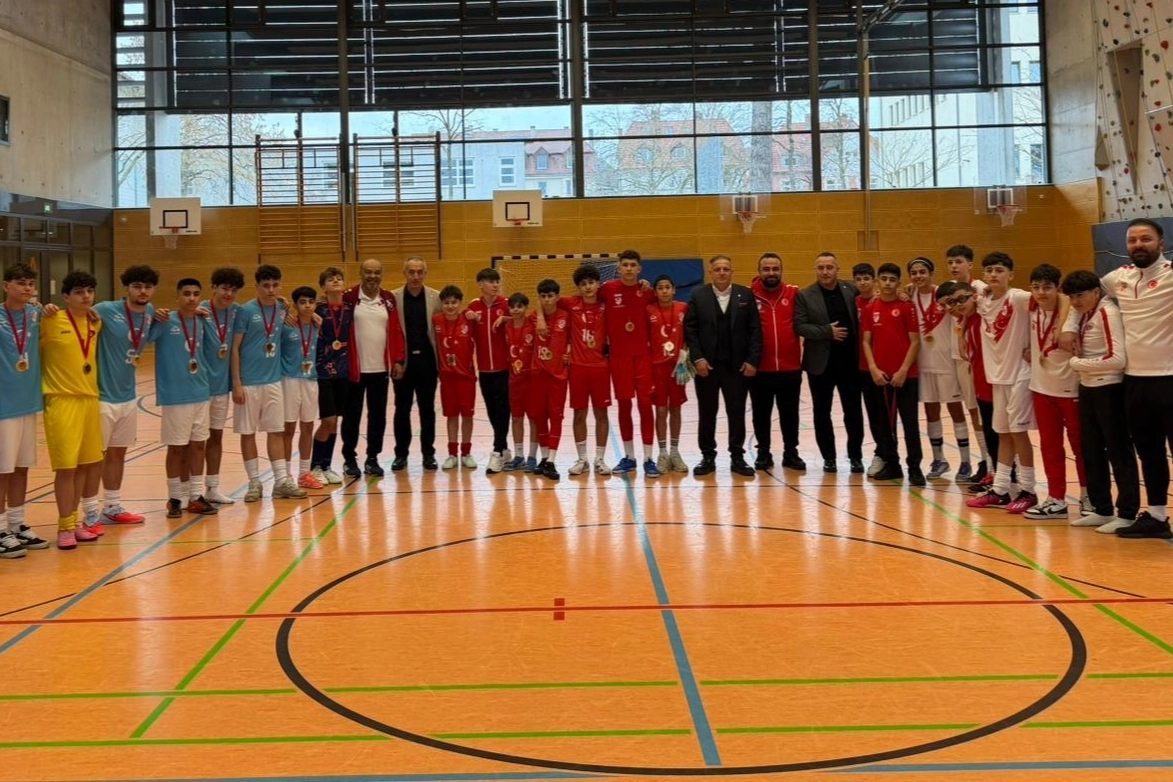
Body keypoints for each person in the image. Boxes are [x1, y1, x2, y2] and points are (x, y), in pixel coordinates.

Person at [1061, 218, 1173, 539]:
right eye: (1132, 240)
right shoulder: (1117, 278)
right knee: (1149, 452)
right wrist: (1069, 327)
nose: (1138, 245)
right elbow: (1084, 295)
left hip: (1169, 378)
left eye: (1146, 239)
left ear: (1161, 243)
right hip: (1134, 382)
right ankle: (1157, 516)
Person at [1060, 270, 1138, 533]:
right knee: (1091, 450)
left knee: (1118, 451)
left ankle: (1127, 513)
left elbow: (1118, 359)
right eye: (1071, 297)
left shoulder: (1108, 313)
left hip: (1110, 389)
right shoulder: (1085, 312)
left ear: (1096, 292)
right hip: (1088, 388)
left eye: (1080, 296)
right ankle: (1102, 509)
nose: (1075, 302)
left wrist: (1077, 363)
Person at [966, 252, 1038, 513]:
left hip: (1019, 374)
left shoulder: (1018, 297)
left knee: (1018, 434)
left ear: (1011, 274)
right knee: (1004, 434)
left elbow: (1056, 300)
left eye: (999, 270)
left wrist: (1039, 347)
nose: (994, 274)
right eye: (989, 270)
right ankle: (1000, 489)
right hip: (997, 378)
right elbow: (961, 292)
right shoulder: (982, 300)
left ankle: (1029, 490)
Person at [231, 264, 307, 502]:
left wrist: (312, 315)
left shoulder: (282, 309)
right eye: (266, 286)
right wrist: (236, 383)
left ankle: (281, 481)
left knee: (276, 430)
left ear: (281, 285)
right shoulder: (245, 311)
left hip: (273, 381)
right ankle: (254, 482)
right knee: (248, 433)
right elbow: (234, 348)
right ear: (257, 286)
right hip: (248, 383)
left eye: (275, 285)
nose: (271, 290)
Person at [41, 271, 103, 550]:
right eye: (79, 292)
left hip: (89, 400)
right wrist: (41, 307)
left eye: (89, 291)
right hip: (62, 400)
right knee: (66, 468)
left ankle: (74, 523)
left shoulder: (94, 322)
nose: (86, 296)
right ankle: (64, 526)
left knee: (84, 467)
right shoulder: (50, 320)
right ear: (65, 296)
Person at [684, 254, 761, 478]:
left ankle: (737, 456)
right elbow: (690, 330)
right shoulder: (698, 295)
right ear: (710, 272)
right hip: (706, 367)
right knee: (707, 412)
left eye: (726, 269)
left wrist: (752, 360)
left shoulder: (745, 294)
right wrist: (697, 359)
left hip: (737, 367)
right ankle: (707, 456)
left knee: (736, 412)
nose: (722, 272)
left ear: (732, 272)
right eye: (717, 269)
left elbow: (755, 330)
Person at [94, 265, 159, 528]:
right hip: (101, 396)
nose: (143, 291)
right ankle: (87, 512)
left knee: (118, 453)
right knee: (93, 458)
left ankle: (112, 506)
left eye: (148, 287)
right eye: (137, 286)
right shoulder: (105, 309)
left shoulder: (150, 312)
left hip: (128, 396)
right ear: (126, 288)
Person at [148, 278, 217, 518]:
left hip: (200, 392)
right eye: (186, 293)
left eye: (196, 294)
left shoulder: (201, 320)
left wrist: (207, 319)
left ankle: (196, 496)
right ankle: (175, 497)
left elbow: (215, 346)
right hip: (175, 395)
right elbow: (145, 339)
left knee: (198, 445)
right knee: (176, 447)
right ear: (177, 296)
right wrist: (154, 317)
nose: (191, 298)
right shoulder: (166, 320)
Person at [1022, 264, 1084, 520]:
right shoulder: (1030, 306)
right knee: (1050, 448)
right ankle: (1056, 499)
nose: (1040, 293)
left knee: (1081, 447)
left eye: (1047, 287)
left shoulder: (1073, 312)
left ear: (1058, 288)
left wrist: (1061, 329)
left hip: (1071, 389)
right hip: (1041, 388)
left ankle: (1089, 496)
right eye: (1035, 287)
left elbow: (1067, 300)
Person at [794, 252, 865, 473]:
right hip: (820, 365)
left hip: (850, 363)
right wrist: (827, 332)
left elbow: (872, 299)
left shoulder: (851, 290)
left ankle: (856, 456)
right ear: (815, 270)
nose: (825, 272)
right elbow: (800, 326)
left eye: (829, 267)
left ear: (837, 269)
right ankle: (829, 458)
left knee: (853, 411)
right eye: (821, 268)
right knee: (822, 412)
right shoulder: (805, 295)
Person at [907, 257, 972, 481]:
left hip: (947, 363)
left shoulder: (945, 294)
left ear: (931, 273)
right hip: (924, 364)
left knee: (956, 411)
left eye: (922, 272)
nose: (918, 276)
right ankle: (939, 459)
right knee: (931, 413)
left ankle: (965, 461)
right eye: (914, 273)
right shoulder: (910, 296)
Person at [341, 258, 405, 477]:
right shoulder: (349, 297)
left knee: (377, 417)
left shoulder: (388, 299)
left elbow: (396, 331)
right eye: (368, 272)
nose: (372, 276)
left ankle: (372, 458)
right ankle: (349, 459)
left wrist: (398, 360)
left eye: (377, 272)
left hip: (380, 370)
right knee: (352, 417)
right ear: (361, 273)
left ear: (381, 275)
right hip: (354, 370)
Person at [862, 263, 924, 486]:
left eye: (892, 280)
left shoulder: (907, 307)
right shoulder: (871, 308)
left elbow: (915, 342)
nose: (888, 283)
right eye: (884, 279)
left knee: (910, 424)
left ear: (898, 283)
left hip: (906, 376)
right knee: (885, 425)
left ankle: (915, 467)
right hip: (882, 377)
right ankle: (892, 465)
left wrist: (904, 370)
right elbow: (866, 341)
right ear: (878, 281)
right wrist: (873, 369)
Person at [0, 263, 47, 558]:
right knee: (2, 470)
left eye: (30, 283)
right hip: (3, 406)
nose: (27, 288)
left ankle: (16, 524)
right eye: (20, 283)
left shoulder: (36, 314)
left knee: (21, 467)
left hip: (28, 403)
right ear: (7, 286)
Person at [600, 249, 658, 476]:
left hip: (643, 356)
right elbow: (579, 300)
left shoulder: (648, 292)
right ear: (618, 268)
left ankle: (649, 458)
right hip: (618, 357)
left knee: (645, 404)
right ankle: (629, 456)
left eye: (633, 265)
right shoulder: (607, 289)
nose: (629, 269)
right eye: (625, 265)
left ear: (639, 269)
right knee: (624, 406)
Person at [552, 264, 613, 476]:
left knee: (601, 414)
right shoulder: (571, 303)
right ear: (578, 287)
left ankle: (600, 459)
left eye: (591, 282)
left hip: (600, 367)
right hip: (578, 368)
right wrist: (540, 317)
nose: (588, 287)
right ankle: (582, 459)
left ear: (598, 284)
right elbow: (546, 301)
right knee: (579, 414)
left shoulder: (606, 303)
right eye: (583, 284)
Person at [750, 252, 804, 471]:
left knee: (790, 414)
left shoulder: (794, 293)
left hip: (790, 367)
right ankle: (763, 452)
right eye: (766, 269)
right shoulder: (748, 295)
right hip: (760, 369)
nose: (771, 273)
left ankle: (791, 452)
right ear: (759, 271)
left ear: (781, 271)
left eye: (775, 269)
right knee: (761, 414)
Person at [943, 245, 990, 484]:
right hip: (958, 357)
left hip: (980, 357)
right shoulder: (948, 289)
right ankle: (985, 460)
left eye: (958, 262)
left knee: (983, 411)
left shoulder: (981, 289)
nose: (954, 266)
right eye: (950, 262)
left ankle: (991, 463)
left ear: (970, 264)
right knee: (972, 410)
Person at [198, 267, 244, 505]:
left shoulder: (237, 312)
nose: (229, 294)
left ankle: (212, 488)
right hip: (198, 388)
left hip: (221, 387)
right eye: (225, 288)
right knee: (193, 442)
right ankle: (186, 491)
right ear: (213, 287)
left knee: (216, 436)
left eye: (234, 290)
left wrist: (284, 305)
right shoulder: (199, 310)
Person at [391, 256, 441, 472]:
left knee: (427, 409)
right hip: (403, 364)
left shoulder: (436, 297)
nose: (415, 276)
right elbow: (391, 333)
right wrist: (396, 361)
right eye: (411, 272)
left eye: (420, 272)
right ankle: (400, 454)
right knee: (401, 409)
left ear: (425, 274)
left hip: (428, 363)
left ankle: (428, 454)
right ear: (405, 273)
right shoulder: (393, 298)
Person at [466, 268, 512, 473]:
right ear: (480, 284)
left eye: (497, 281)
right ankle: (504, 449)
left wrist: (507, 319)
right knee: (492, 411)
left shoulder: (506, 304)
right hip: (484, 370)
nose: (495, 285)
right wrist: (466, 315)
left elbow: (524, 319)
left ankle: (496, 451)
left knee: (503, 410)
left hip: (505, 368)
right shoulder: (473, 307)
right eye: (491, 281)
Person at [309, 267, 350, 485]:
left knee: (335, 423)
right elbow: (293, 313)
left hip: (343, 372)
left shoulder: (350, 308)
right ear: (323, 286)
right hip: (322, 372)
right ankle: (315, 466)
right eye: (330, 279)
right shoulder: (317, 309)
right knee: (328, 421)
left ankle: (326, 465)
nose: (335, 281)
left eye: (339, 278)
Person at [646, 274, 689, 474]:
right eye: (660, 288)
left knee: (676, 409)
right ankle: (662, 453)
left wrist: (686, 355)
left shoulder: (683, 308)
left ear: (674, 290)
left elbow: (689, 334)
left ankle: (674, 451)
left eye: (667, 287)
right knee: (661, 410)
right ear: (655, 292)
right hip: (657, 368)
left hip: (678, 367)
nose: (664, 291)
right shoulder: (649, 310)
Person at [282, 286, 322, 490]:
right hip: (289, 380)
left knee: (308, 427)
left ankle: (304, 473)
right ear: (295, 305)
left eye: (310, 302)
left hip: (311, 380)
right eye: (302, 302)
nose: (307, 306)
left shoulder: (317, 325)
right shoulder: (286, 326)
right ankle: (286, 474)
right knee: (288, 429)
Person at [434, 285, 477, 469]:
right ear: (441, 304)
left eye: (454, 302)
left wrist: (469, 312)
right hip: (447, 379)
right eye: (446, 303)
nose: (450, 306)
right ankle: (452, 454)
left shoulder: (469, 320)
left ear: (460, 303)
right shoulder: (436, 320)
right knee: (451, 416)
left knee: (467, 416)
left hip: (466, 378)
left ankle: (466, 453)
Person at [531, 279, 570, 480]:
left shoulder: (566, 316)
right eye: (543, 296)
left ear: (557, 296)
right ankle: (544, 457)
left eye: (550, 296)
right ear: (539, 298)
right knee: (539, 416)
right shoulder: (533, 318)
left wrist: (570, 352)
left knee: (556, 417)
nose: (547, 300)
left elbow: (575, 338)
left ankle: (552, 460)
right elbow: (515, 319)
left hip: (558, 375)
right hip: (538, 374)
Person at [852, 263, 887, 477]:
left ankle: (885, 453)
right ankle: (879, 452)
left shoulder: (882, 301)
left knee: (883, 414)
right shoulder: (852, 302)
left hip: (880, 366)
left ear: (874, 281)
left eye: (867, 278)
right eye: (859, 279)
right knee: (870, 413)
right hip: (858, 367)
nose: (863, 282)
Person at [503, 292, 537, 471]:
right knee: (516, 418)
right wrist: (503, 318)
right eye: (513, 307)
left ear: (526, 308)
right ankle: (519, 455)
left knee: (533, 419)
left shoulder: (533, 324)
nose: (516, 310)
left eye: (520, 306)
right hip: (514, 380)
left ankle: (532, 456)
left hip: (531, 380)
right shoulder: (506, 326)